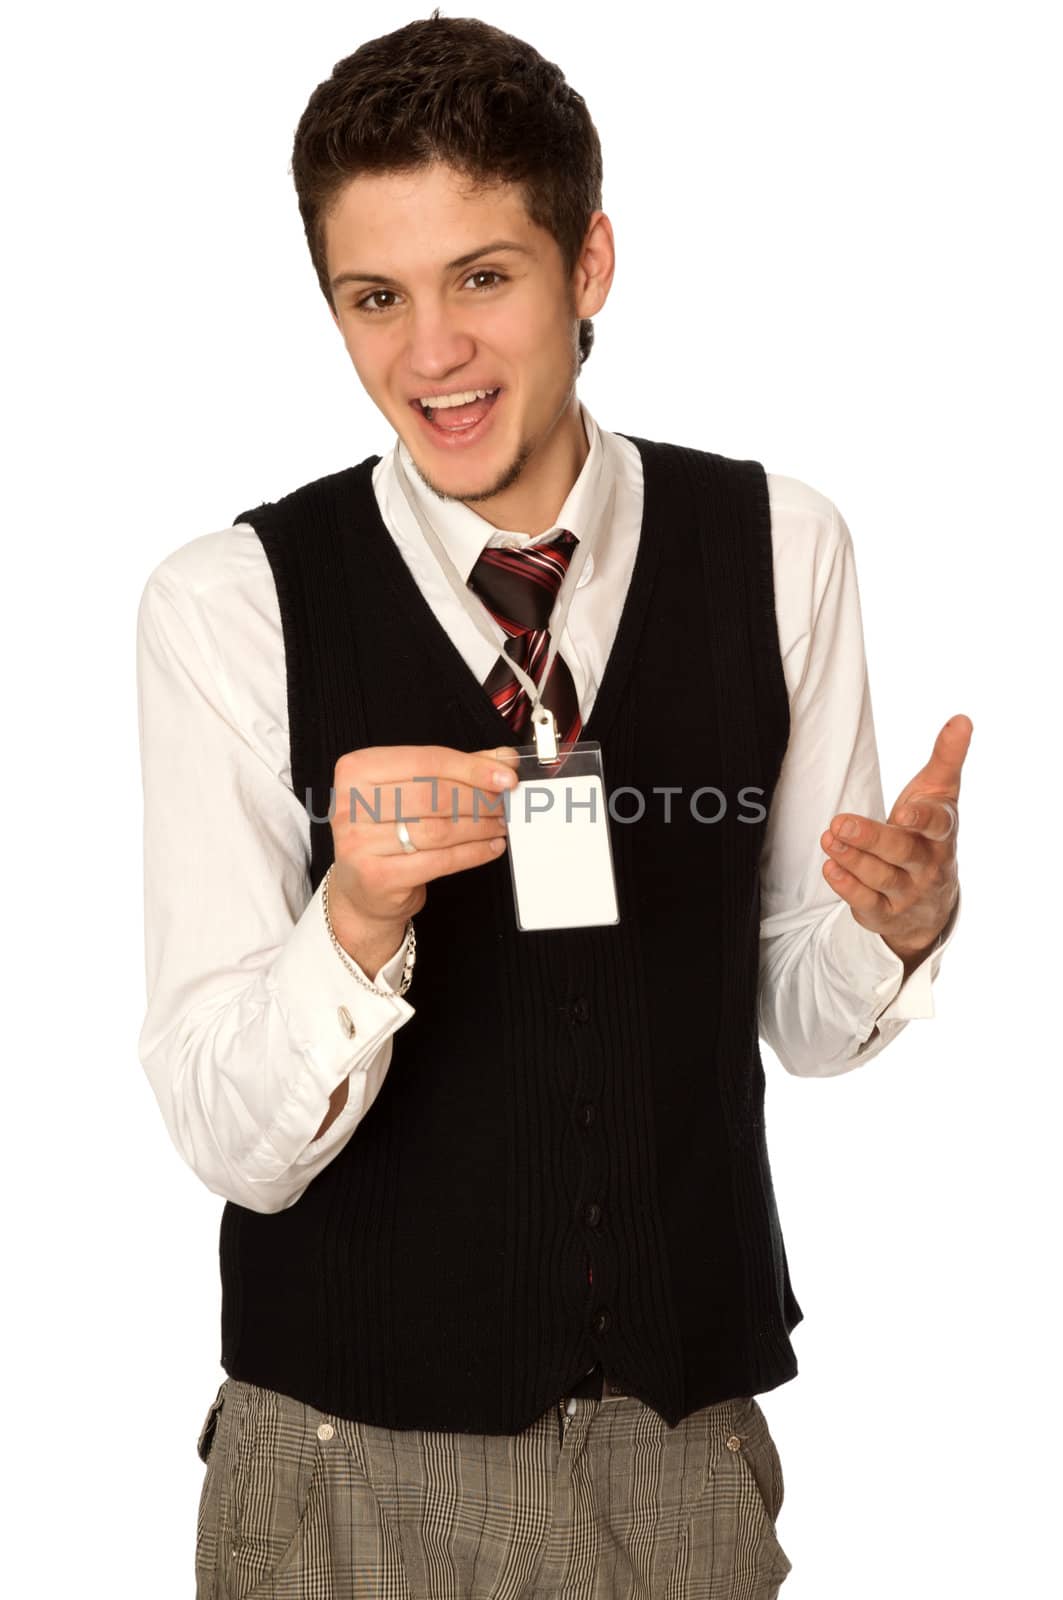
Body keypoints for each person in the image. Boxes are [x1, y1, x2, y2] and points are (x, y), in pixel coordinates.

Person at [135, 12, 969, 1597]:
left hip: (681, 1452)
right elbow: (227, 1133)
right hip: (339, 1464)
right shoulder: (229, 606)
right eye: (374, 298)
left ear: (590, 264)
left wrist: (891, 929)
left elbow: (798, 1008)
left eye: (482, 278)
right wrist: (356, 919)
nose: (429, 354)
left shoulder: (781, 545)